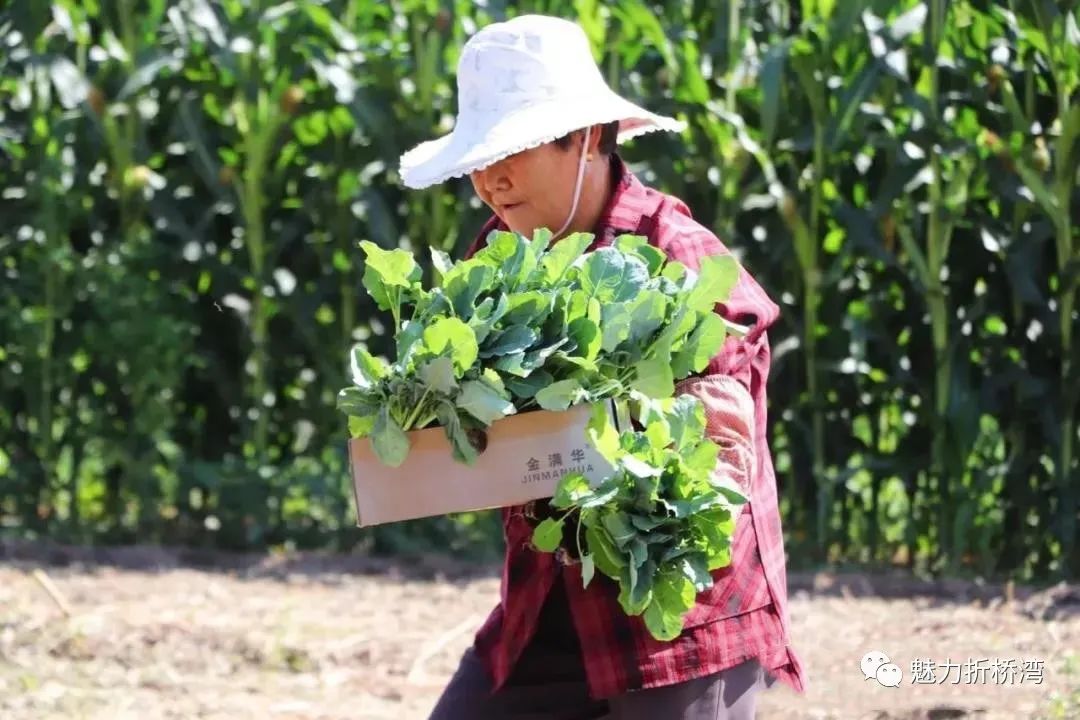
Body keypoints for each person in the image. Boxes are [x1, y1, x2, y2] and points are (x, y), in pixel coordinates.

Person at [398, 14, 806, 720]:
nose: (490, 181)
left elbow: (725, 424)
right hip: (548, 609)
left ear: (586, 139)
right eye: (478, 161)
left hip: (682, 619)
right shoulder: (492, 262)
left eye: (513, 152)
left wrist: (661, 419)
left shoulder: (678, 254)